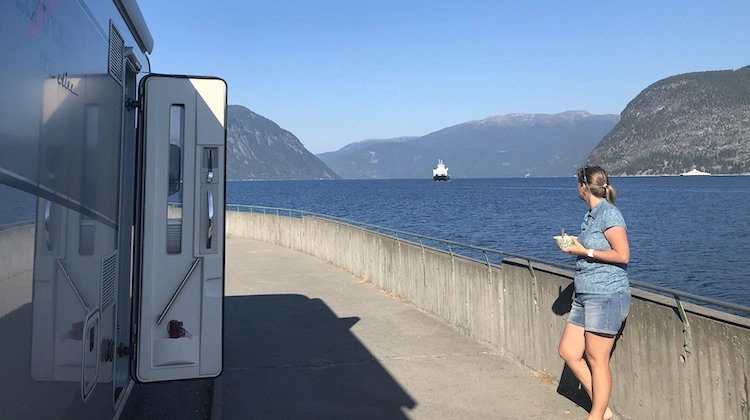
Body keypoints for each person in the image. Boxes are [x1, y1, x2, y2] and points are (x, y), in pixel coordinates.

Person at [557, 165, 631, 420]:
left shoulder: (609, 214)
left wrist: (584, 252)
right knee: (569, 351)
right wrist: (576, 244)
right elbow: (594, 246)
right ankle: (602, 408)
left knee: (596, 358)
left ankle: (597, 414)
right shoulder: (590, 215)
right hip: (584, 294)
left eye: (577, 184)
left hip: (606, 294)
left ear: (584, 187)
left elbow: (622, 255)